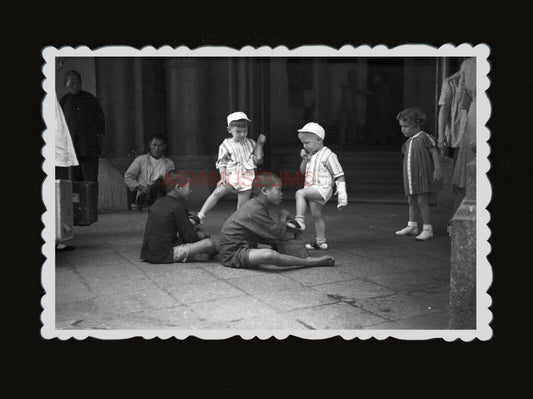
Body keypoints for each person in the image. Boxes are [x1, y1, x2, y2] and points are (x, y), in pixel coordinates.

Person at [216, 172, 335, 269]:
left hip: (241, 246)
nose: (282, 194)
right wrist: (282, 218)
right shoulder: (254, 209)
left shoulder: (256, 205)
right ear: (265, 191)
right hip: (233, 254)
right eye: (279, 190)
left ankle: (299, 258)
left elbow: (269, 230)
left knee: (275, 244)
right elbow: (278, 234)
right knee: (268, 255)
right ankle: (310, 262)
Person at [286, 122, 348, 250]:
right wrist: (305, 159)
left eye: (307, 143)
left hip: (322, 188)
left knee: (300, 193)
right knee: (316, 214)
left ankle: (300, 222)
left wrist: (342, 194)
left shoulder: (328, 155)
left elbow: (339, 174)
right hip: (313, 187)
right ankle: (321, 242)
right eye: (303, 143)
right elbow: (302, 171)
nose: (304, 146)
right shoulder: (311, 155)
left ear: (319, 140)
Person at [196, 111, 266, 223]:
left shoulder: (252, 143)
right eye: (238, 132)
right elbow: (222, 163)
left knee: (242, 206)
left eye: (245, 131)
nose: (242, 134)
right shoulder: (226, 145)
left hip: (247, 177)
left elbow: (258, 161)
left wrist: (259, 147)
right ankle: (200, 216)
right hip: (231, 175)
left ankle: (238, 224)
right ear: (230, 130)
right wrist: (223, 176)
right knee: (217, 193)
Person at [140, 171, 217, 264]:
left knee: (200, 236)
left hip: (148, 252)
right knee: (208, 243)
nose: (190, 190)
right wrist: (201, 237)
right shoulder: (178, 206)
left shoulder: (158, 202)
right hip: (164, 254)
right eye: (188, 187)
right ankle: (217, 252)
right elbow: (189, 237)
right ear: (177, 188)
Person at [395, 108, 442, 241]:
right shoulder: (408, 142)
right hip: (411, 176)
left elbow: (434, 152)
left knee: (421, 201)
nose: (403, 129)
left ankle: (427, 229)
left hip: (422, 176)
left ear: (416, 124)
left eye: (406, 126)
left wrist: (437, 168)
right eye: (401, 127)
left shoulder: (424, 137)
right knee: (411, 200)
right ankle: (412, 225)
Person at [59, 70, 105, 193]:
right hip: (72, 150)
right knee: (74, 182)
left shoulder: (90, 99)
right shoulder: (63, 101)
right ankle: (77, 211)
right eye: (72, 83)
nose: (75, 86)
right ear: (66, 85)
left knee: (90, 181)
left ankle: (91, 210)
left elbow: (100, 122)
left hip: (89, 149)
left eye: (78, 83)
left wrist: (97, 144)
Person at [124, 134, 175, 211]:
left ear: (165, 146)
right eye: (154, 145)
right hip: (144, 194)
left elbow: (171, 182)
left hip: (161, 193)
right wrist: (140, 187)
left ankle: (158, 204)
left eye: (160, 146)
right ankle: (147, 204)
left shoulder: (169, 163)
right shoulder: (140, 160)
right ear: (149, 145)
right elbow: (128, 177)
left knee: (160, 182)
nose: (156, 148)